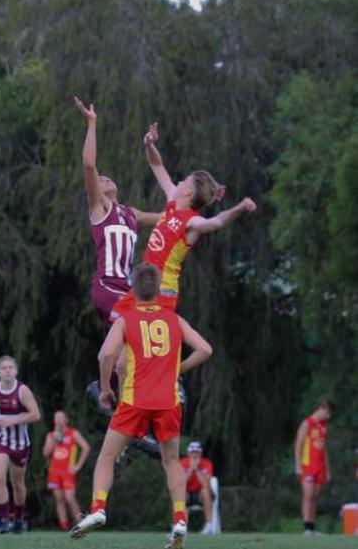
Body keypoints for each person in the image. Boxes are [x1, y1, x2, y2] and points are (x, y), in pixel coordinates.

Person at [69, 262, 213, 549]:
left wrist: (107, 389)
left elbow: (106, 355)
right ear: (158, 289)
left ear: (133, 289)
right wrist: (177, 370)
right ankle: (180, 518)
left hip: (135, 400)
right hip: (168, 401)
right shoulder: (174, 319)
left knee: (108, 456)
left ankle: (98, 508)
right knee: (171, 461)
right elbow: (206, 349)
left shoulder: (126, 320)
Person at [111, 123, 256, 319]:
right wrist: (149, 145)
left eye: (184, 180)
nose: (178, 182)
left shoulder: (192, 222)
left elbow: (216, 222)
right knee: (116, 326)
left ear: (187, 192)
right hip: (144, 285)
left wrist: (239, 208)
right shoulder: (172, 203)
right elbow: (156, 165)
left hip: (162, 290)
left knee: (138, 339)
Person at [74, 96, 159, 324]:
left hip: (128, 289)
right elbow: (89, 165)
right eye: (100, 179)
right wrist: (92, 123)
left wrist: (201, 200)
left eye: (106, 177)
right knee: (140, 324)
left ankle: (113, 361)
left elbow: (171, 219)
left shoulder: (132, 214)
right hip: (107, 286)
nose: (104, 178)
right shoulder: (100, 206)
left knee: (144, 333)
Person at [0, 355, 41, 534]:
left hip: (20, 442)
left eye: (10, 368)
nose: (8, 371)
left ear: (15, 371)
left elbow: (36, 415)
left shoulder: (23, 391)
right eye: (4, 368)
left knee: (17, 483)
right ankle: (4, 520)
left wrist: (12, 420)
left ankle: (18, 518)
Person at [43, 410, 90, 531]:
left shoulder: (73, 433)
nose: (58, 420)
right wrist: (55, 440)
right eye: (56, 417)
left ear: (66, 420)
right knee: (59, 499)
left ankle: (81, 524)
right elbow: (46, 453)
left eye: (60, 417)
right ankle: (64, 526)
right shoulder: (51, 435)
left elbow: (86, 447)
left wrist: (78, 466)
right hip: (54, 471)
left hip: (68, 471)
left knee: (70, 498)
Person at [294, 398, 333, 534]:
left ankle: (311, 526)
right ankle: (306, 528)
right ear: (321, 408)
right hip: (307, 465)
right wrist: (298, 466)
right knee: (308, 494)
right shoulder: (307, 423)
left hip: (319, 466)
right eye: (327, 413)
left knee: (315, 495)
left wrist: (327, 470)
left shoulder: (323, 426)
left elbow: (324, 449)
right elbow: (298, 444)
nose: (328, 416)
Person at [180, 441, 214, 534]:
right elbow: (181, 483)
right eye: (192, 452)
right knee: (180, 493)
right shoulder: (182, 462)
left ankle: (209, 525)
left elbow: (206, 485)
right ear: (188, 453)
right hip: (188, 493)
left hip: (201, 494)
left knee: (205, 491)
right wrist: (191, 469)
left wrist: (197, 469)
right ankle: (181, 525)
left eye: (197, 452)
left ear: (200, 453)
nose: (194, 454)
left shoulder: (207, 463)